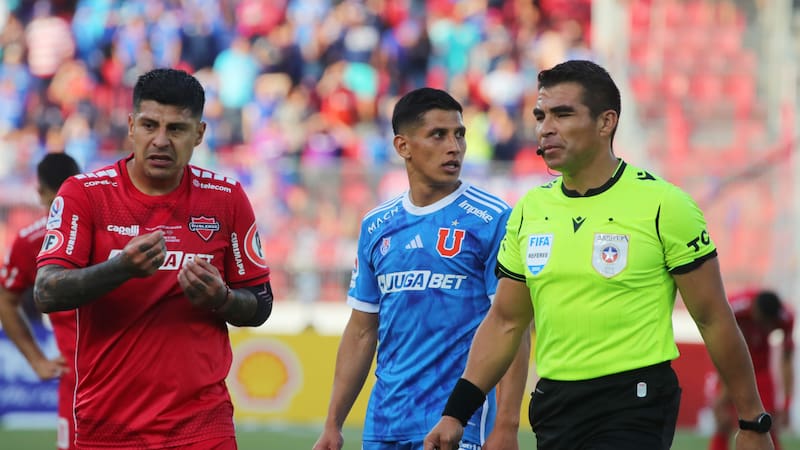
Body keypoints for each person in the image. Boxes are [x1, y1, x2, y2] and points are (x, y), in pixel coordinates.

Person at [424, 59, 775, 450]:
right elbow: (506, 321)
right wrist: (456, 414)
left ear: (606, 122)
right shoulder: (529, 210)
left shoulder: (664, 205)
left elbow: (713, 317)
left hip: (634, 401)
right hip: (554, 405)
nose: (545, 128)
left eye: (563, 114)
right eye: (541, 115)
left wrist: (752, 422)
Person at [33, 68, 274, 449]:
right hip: (107, 426)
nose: (160, 140)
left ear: (199, 134)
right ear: (131, 126)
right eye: (149, 125)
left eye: (176, 129)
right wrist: (120, 268)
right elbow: (46, 291)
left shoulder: (226, 198)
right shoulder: (84, 194)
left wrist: (222, 299)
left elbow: (260, 304)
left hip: (202, 426)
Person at [313, 87, 531, 450]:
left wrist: (507, 425)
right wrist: (333, 423)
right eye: (438, 135)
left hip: (460, 424)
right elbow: (362, 330)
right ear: (403, 146)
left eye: (459, 134)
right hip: (385, 423)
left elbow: (512, 324)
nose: (454, 146)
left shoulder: (492, 218)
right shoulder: (376, 225)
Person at [0, 152, 81, 450]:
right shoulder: (32, 241)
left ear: (40, 192)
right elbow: (5, 299)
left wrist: (37, 361)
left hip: (114, 381)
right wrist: (36, 360)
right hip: (80, 386)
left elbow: (5, 300)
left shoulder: (30, 240)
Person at [709, 289, 794, 450]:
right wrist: (724, 388)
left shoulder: (786, 317)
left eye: (770, 325)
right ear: (754, 309)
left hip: (761, 370)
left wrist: (787, 403)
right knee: (723, 420)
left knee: (767, 422)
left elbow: (787, 360)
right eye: (762, 322)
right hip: (731, 365)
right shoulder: (734, 308)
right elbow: (721, 347)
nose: (765, 328)